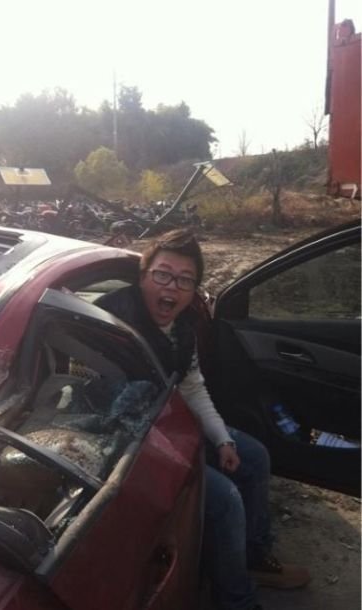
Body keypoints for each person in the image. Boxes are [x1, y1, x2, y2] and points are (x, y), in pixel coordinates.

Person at [96, 228, 310, 610]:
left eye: (185, 280)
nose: (172, 287)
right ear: (143, 276)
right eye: (163, 274)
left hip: (169, 425)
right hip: (126, 445)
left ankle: (252, 557)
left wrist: (221, 439)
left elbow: (192, 387)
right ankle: (236, 599)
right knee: (225, 498)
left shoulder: (184, 328)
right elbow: (98, 405)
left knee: (253, 456)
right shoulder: (110, 323)